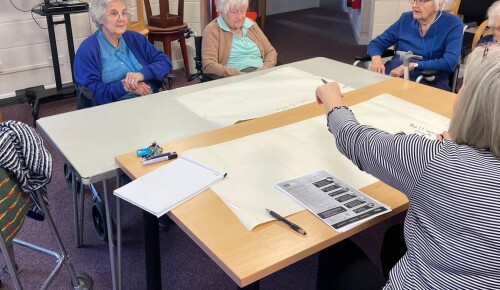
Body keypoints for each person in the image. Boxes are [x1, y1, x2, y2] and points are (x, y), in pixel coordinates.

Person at [314, 44, 500, 289]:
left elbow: (355, 139)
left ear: (473, 104)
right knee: (395, 237)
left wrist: (333, 101)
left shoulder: (436, 160)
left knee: (335, 253)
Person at [74, 0, 172, 106]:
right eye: (114, 13)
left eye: (124, 13)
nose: (121, 18)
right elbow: (90, 92)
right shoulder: (88, 50)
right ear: (100, 18)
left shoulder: (135, 38)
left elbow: (165, 61)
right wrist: (125, 87)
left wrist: (141, 74)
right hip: (113, 109)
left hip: (149, 100)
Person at [368, 0, 463, 91]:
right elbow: (376, 43)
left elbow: (450, 62)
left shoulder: (453, 24)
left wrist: (413, 66)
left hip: (428, 79)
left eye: (422, 1)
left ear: (439, 3)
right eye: (414, 0)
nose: (414, 5)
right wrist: (376, 59)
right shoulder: (406, 18)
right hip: (394, 75)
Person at [201, 0, 277, 78]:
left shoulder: (251, 25)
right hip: (235, 77)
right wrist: (241, 75)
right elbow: (209, 65)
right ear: (222, 12)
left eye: (243, 11)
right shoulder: (213, 29)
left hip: (261, 73)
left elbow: (270, 51)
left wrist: (266, 67)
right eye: (234, 12)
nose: (240, 17)